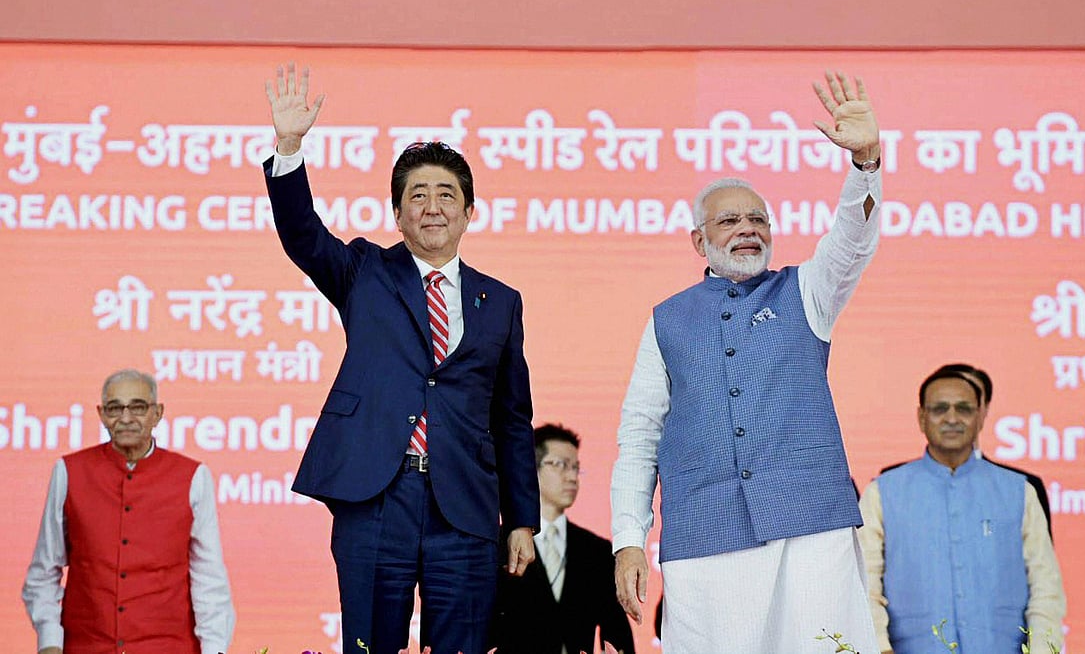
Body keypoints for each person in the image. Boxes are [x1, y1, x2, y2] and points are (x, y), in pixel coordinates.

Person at [262, 63, 539, 654]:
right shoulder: (365, 271)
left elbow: (512, 418)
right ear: (398, 214)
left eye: (447, 195)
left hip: (463, 507)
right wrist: (289, 150)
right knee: (369, 645)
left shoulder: (502, 303)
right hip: (376, 497)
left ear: (470, 212)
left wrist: (521, 520)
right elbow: (303, 234)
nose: (432, 207)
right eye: (418, 195)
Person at [611, 71, 883, 654]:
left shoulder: (808, 291)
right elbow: (640, 435)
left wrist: (865, 163)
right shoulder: (667, 320)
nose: (747, 231)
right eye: (729, 221)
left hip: (810, 530)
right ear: (698, 241)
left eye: (757, 220)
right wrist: (629, 539)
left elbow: (852, 241)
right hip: (706, 537)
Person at [22, 369, 235, 654]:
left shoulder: (194, 477)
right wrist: (49, 641)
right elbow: (44, 571)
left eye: (137, 407)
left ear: (157, 413)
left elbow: (208, 577)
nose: (125, 418)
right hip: (86, 645)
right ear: (101, 414)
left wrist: (215, 648)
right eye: (114, 408)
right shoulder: (69, 472)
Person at [858, 368, 1065, 654]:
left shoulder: (1019, 491)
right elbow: (864, 582)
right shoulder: (882, 492)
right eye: (940, 409)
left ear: (980, 416)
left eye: (964, 409)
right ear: (921, 417)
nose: (952, 418)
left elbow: (1045, 587)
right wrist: (880, 647)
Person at [492, 423, 635, 654]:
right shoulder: (496, 544)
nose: (571, 477)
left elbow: (616, 630)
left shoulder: (596, 550)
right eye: (560, 465)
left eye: (576, 468)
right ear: (530, 469)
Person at [880, 363, 1054, 539]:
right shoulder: (888, 485)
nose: (952, 417)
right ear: (923, 414)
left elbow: (1039, 563)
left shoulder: (1022, 488)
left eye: (964, 405)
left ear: (982, 410)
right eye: (942, 406)